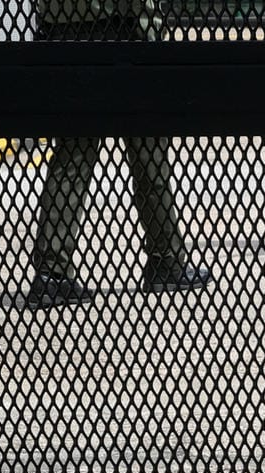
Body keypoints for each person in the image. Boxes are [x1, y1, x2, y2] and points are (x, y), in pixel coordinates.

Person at [26, 0, 213, 309]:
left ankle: (52, 273)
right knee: (149, 151)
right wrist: (150, 30)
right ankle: (165, 258)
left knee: (73, 155)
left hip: (64, 32)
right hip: (123, 32)